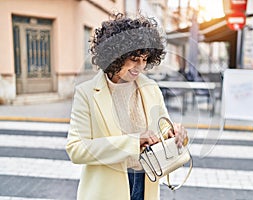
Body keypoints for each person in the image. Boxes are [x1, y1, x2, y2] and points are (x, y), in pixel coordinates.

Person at [66, 12, 188, 200]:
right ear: (116, 55)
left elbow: (162, 128)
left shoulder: (151, 88)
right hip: (106, 191)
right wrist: (132, 142)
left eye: (145, 59)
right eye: (133, 58)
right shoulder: (86, 93)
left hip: (146, 183)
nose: (139, 67)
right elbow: (76, 149)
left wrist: (175, 133)